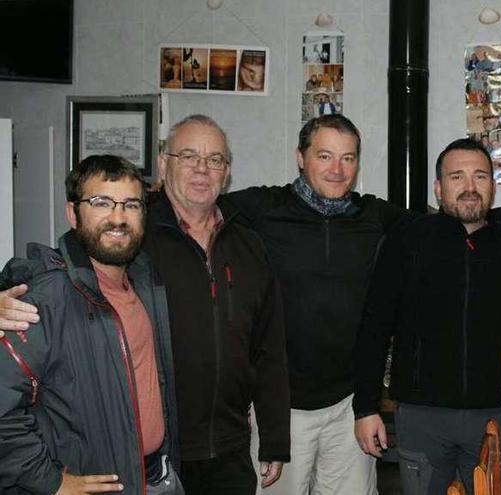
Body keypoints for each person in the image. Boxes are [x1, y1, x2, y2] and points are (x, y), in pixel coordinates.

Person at [215, 115, 501, 495]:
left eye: (348, 158)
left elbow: (453, 217)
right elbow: (196, 202)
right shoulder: (262, 207)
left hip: (349, 404)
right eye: (324, 156)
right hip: (284, 406)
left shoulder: (373, 215)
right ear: (300, 158)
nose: (337, 169)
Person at [0, 115, 292, 494]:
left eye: (215, 159)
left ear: (227, 171)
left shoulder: (246, 244)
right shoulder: (133, 236)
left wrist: (274, 437)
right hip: (142, 456)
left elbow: (268, 347)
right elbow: (62, 262)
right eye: (188, 155)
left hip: (223, 449)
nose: (202, 168)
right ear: (164, 163)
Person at [352, 138, 501, 495]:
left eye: (480, 176)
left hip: (486, 417)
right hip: (419, 418)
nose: (470, 187)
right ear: (439, 188)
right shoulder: (406, 240)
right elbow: (374, 327)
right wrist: (365, 407)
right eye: (457, 177)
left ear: (492, 186)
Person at [0, 155, 183, 494]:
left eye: (130, 204)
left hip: (157, 476)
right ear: (73, 213)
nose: (118, 217)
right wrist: (51, 482)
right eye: (101, 203)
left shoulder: (147, 283)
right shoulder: (43, 298)